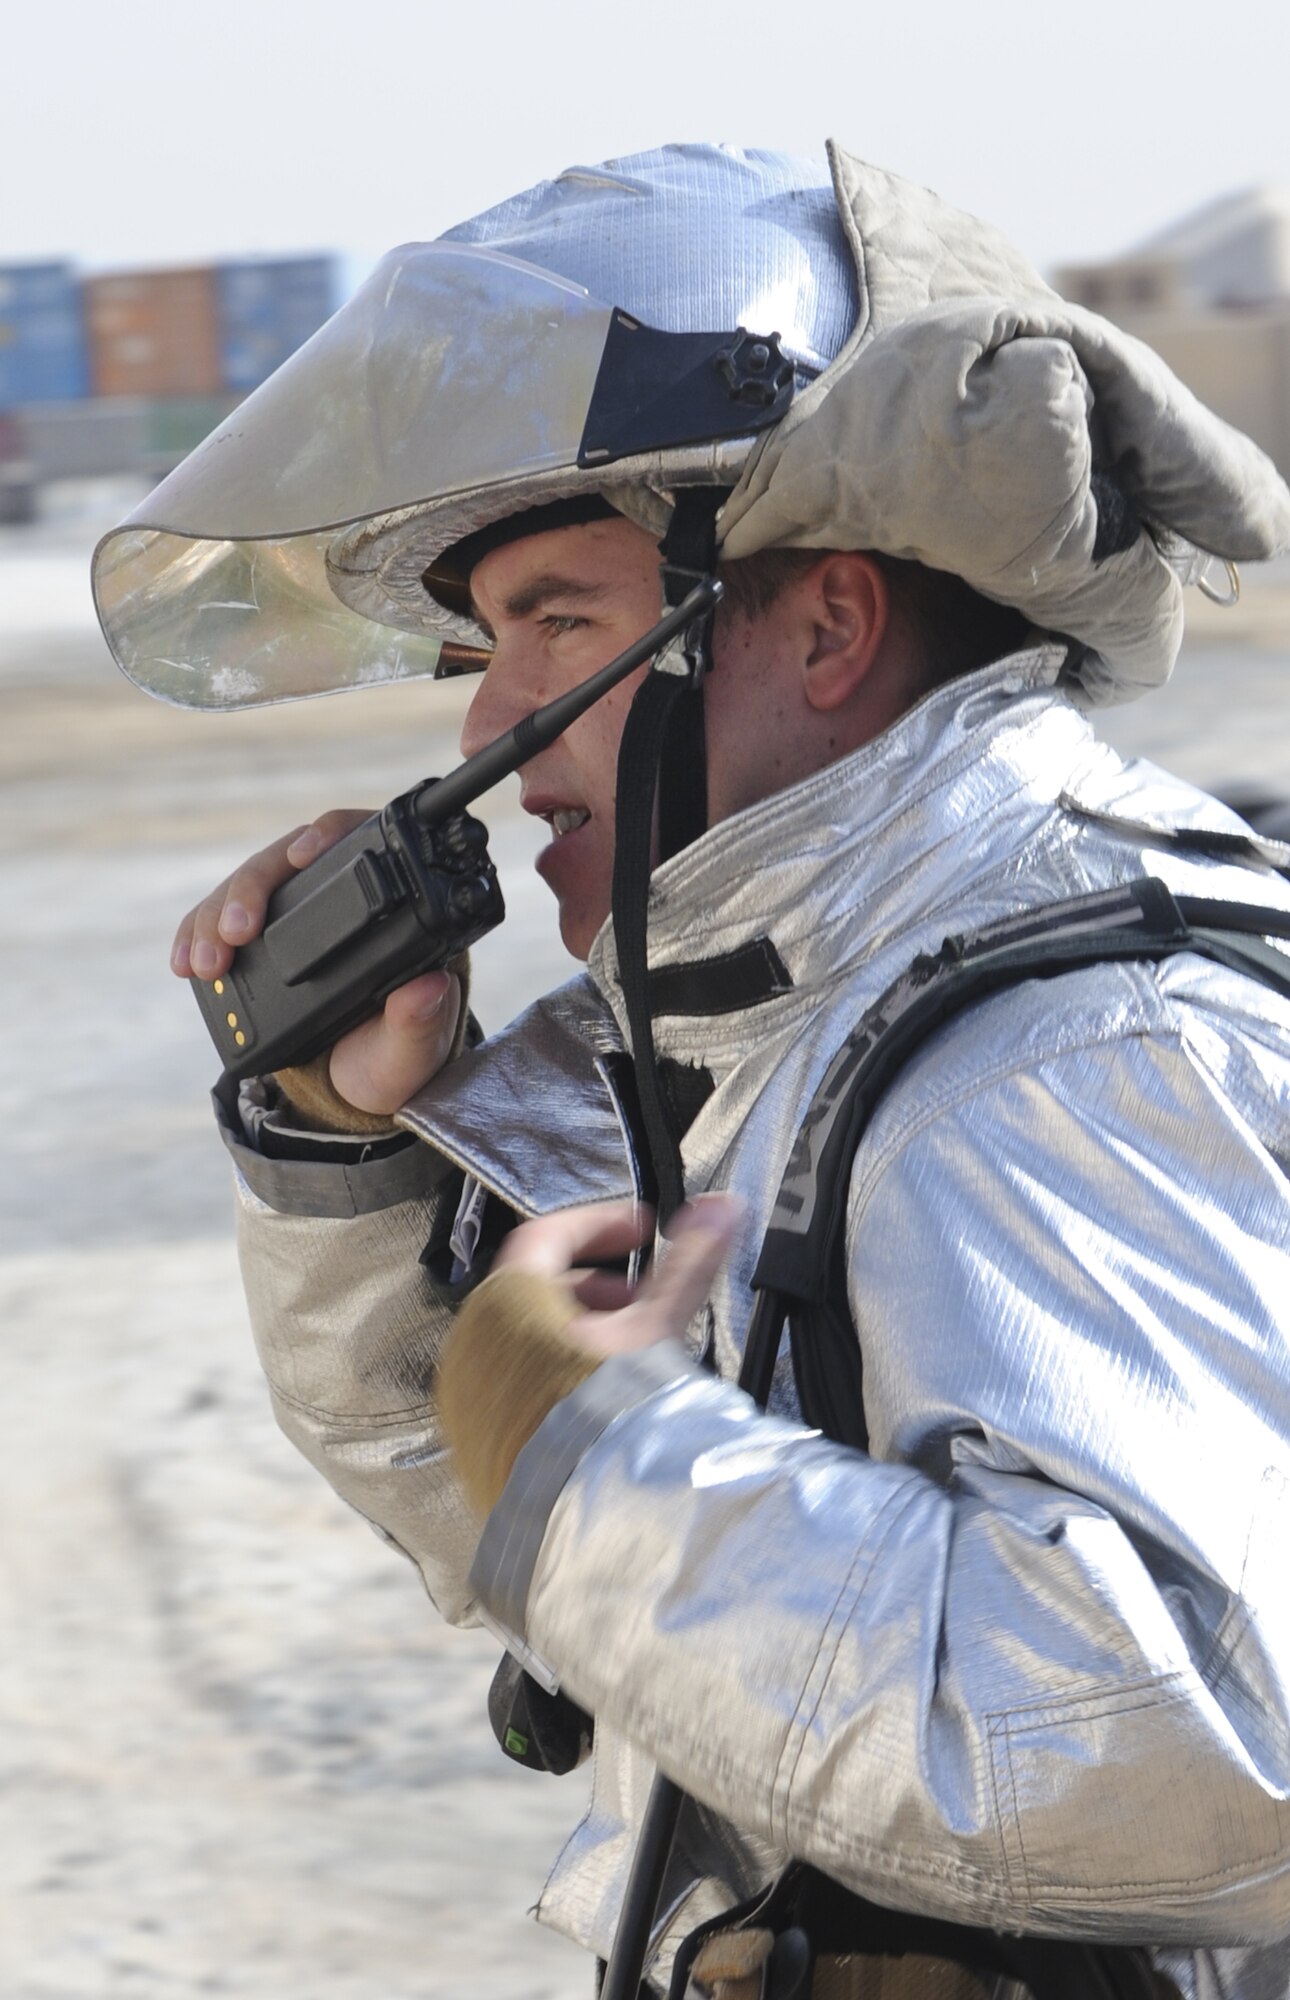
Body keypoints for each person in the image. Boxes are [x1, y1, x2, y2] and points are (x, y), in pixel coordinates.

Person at [94, 145, 1290, 1997]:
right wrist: (357, 1151)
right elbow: (532, 1539)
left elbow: (1180, 1765)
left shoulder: (1071, 1050)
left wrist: (599, 1438)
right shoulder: (791, 1016)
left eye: (559, 622)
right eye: (483, 647)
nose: (493, 723)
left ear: (824, 627)